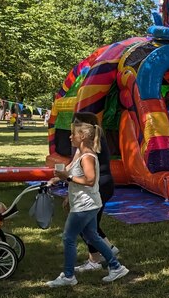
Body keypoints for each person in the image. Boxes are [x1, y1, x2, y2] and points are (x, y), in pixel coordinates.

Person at [46, 119, 128, 286]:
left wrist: (67, 177)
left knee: (68, 238)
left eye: (73, 134)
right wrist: (58, 178)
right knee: (92, 236)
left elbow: (90, 180)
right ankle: (116, 266)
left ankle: (68, 276)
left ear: (82, 136)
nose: (70, 137)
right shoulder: (81, 154)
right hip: (86, 203)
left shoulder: (88, 157)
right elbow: (74, 176)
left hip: (85, 205)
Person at [72, 112, 120, 273]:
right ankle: (108, 250)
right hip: (104, 185)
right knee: (90, 224)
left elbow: (86, 174)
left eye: (76, 125)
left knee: (85, 225)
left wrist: (67, 178)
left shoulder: (88, 144)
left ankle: (99, 259)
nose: (72, 129)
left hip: (99, 187)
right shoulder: (96, 140)